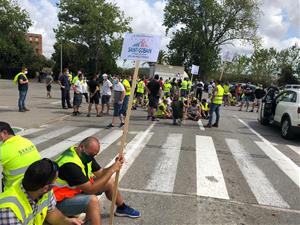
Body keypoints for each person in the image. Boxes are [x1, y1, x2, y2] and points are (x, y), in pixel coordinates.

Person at [53, 137, 141, 225]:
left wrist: (115, 164)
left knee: (109, 182)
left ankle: (122, 208)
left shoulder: (84, 154)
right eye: (91, 154)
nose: (92, 157)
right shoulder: (70, 164)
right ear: (81, 147)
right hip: (57, 203)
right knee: (92, 201)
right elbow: (90, 189)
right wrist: (112, 170)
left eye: (94, 155)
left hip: (74, 191)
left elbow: (101, 173)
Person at [0, 158, 83, 225]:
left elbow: (51, 213)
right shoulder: (9, 210)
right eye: (55, 180)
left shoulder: (42, 188)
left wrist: (67, 221)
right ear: (46, 188)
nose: (56, 182)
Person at [0, 121, 41, 191]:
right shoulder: (26, 141)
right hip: (36, 184)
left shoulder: (2, 150)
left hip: (15, 190)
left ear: (4, 133)